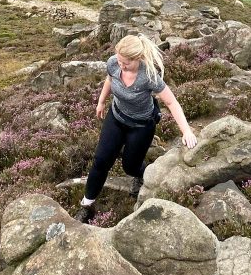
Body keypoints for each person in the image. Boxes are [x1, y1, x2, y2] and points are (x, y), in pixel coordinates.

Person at [75, 34, 197, 222]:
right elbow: (109, 80)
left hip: (141, 126)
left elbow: (172, 102)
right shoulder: (114, 63)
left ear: (138, 59)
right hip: (116, 118)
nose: (121, 66)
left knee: (130, 166)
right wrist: (100, 102)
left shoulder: (148, 76)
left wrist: (186, 130)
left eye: (126, 63)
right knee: (100, 161)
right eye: (119, 61)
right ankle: (87, 205)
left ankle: (142, 174)